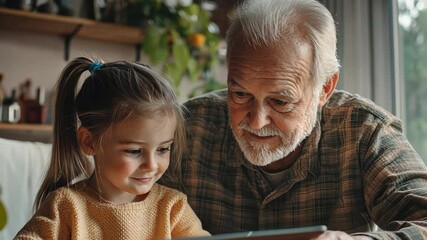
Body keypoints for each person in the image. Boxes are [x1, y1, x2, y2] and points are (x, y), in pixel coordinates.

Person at [159, 0, 427, 239]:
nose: (256, 122)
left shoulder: (364, 130)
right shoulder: (188, 129)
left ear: (324, 88)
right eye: (240, 94)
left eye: (280, 101)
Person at [15, 57, 210, 239]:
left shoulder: (172, 207)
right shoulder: (65, 206)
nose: (151, 165)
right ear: (89, 142)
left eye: (163, 149)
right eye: (134, 151)